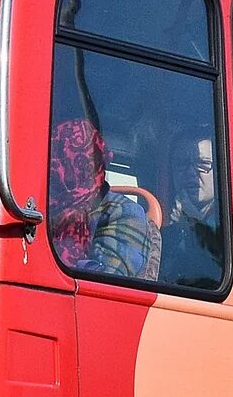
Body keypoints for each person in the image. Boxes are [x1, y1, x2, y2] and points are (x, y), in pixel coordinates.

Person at [46, 116, 160, 280]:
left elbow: (109, 279)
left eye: (62, 158)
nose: (56, 167)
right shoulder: (40, 207)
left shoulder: (122, 212)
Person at [160, 134, 230, 287]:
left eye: (203, 164)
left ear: (220, 170)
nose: (191, 173)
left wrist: (194, 223)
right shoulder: (160, 235)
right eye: (181, 164)